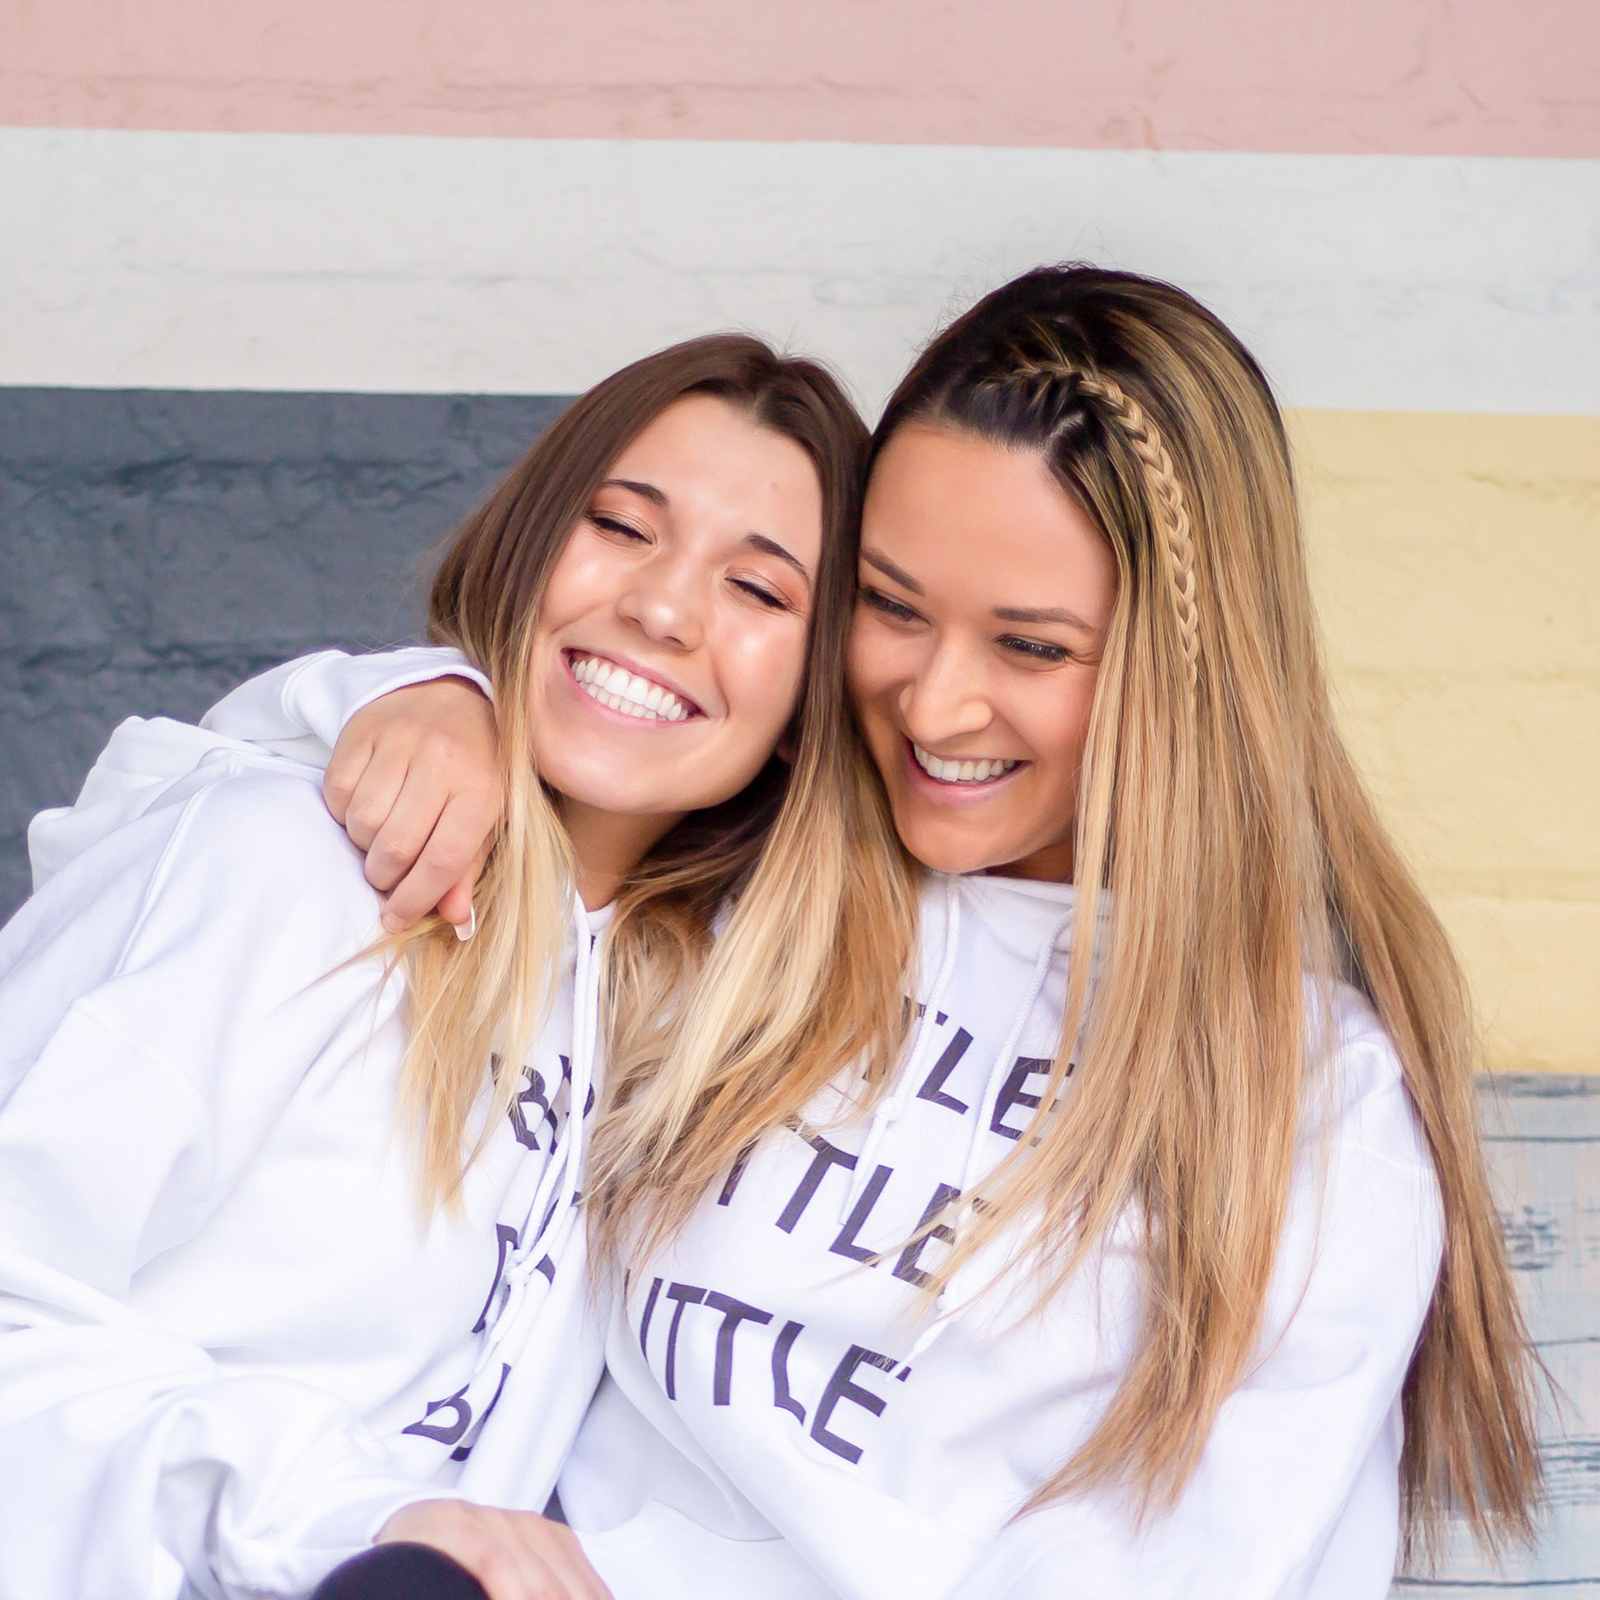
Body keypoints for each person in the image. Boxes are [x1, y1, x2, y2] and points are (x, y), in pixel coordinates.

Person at [294, 265, 1543, 1599]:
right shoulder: (740, 895)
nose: (936, 706)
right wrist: (430, 699)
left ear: (1184, 673)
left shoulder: (1300, 1100)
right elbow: (189, 799)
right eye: (891, 607)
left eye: (1032, 648)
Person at [0, 333, 907, 1600]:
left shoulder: (701, 1030)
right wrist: (354, 1526)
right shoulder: (272, 864)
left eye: (760, 592)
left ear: (814, 690)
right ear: (531, 540)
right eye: (620, 526)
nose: (662, 608)